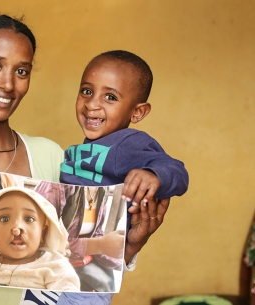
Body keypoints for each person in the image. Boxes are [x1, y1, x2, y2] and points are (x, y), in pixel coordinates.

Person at [0, 14, 171, 305]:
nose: (8, 84)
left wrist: (127, 248)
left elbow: (76, 270)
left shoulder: (52, 157)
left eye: (22, 71)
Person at [55, 50, 190, 304]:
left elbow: (177, 171)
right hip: (60, 259)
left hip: (90, 272)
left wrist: (153, 174)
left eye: (110, 97)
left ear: (137, 112)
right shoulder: (77, 151)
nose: (92, 104)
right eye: (86, 91)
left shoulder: (128, 144)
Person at [0, 186, 80, 291]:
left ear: (42, 234)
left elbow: (68, 298)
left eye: (29, 219)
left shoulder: (55, 266)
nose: (16, 228)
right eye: (4, 219)